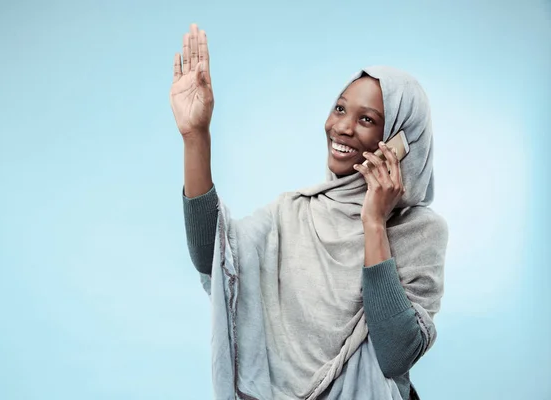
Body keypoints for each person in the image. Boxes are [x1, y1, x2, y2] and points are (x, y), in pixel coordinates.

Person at [170, 23, 448, 400]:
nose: (343, 128)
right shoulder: (292, 212)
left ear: (401, 141)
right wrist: (195, 136)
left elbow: (395, 353)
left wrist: (374, 223)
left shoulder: (420, 230)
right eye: (340, 109)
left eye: (367, 119)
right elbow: (214, 258)